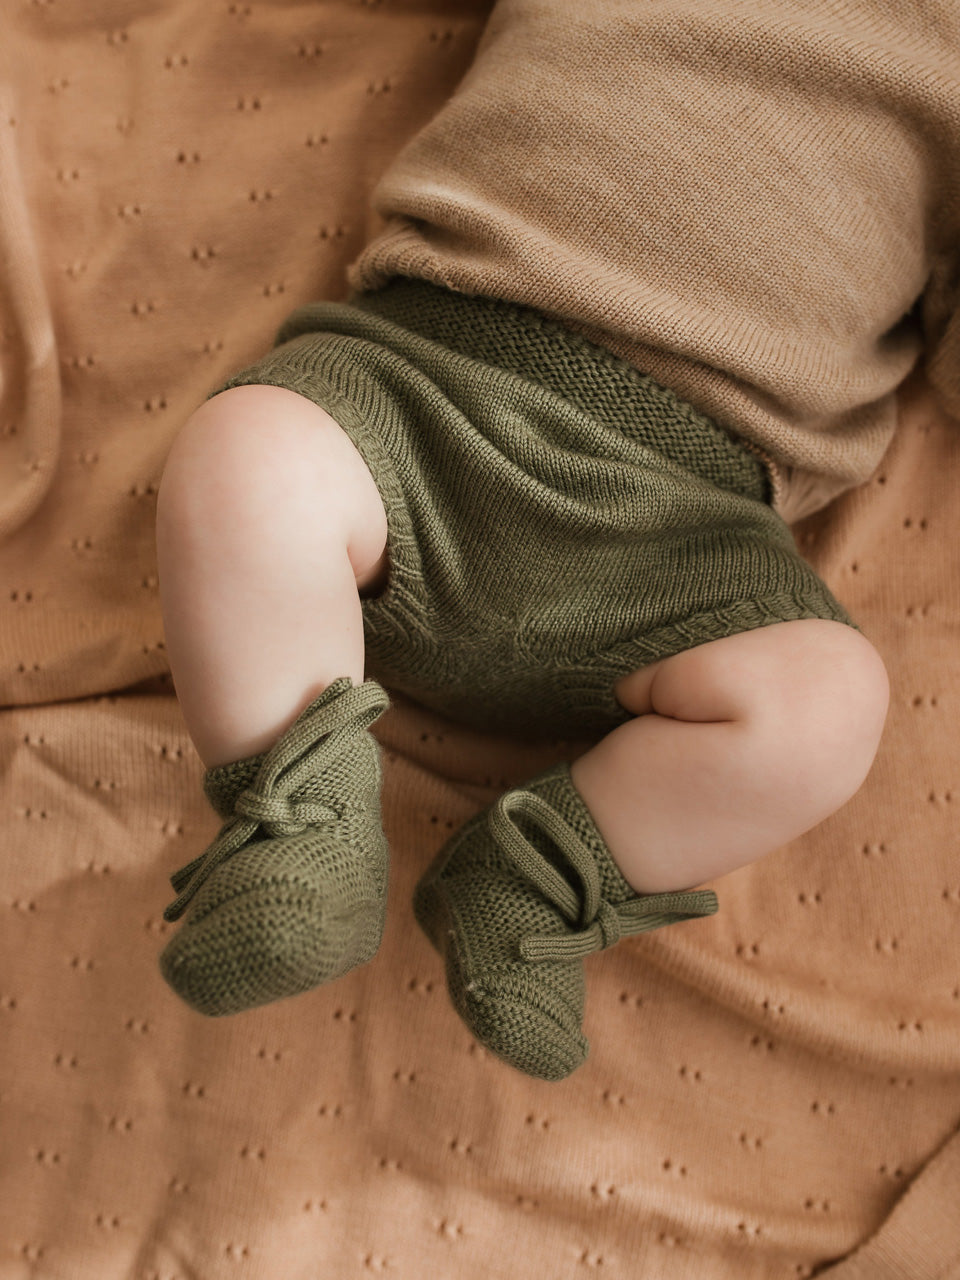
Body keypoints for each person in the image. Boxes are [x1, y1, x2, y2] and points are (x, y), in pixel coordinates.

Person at [149, 0, 960, 1082]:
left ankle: (536, 873)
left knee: (827, 702)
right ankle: (302, 820)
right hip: (425, 379)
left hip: (684, 525)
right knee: (246, 458)